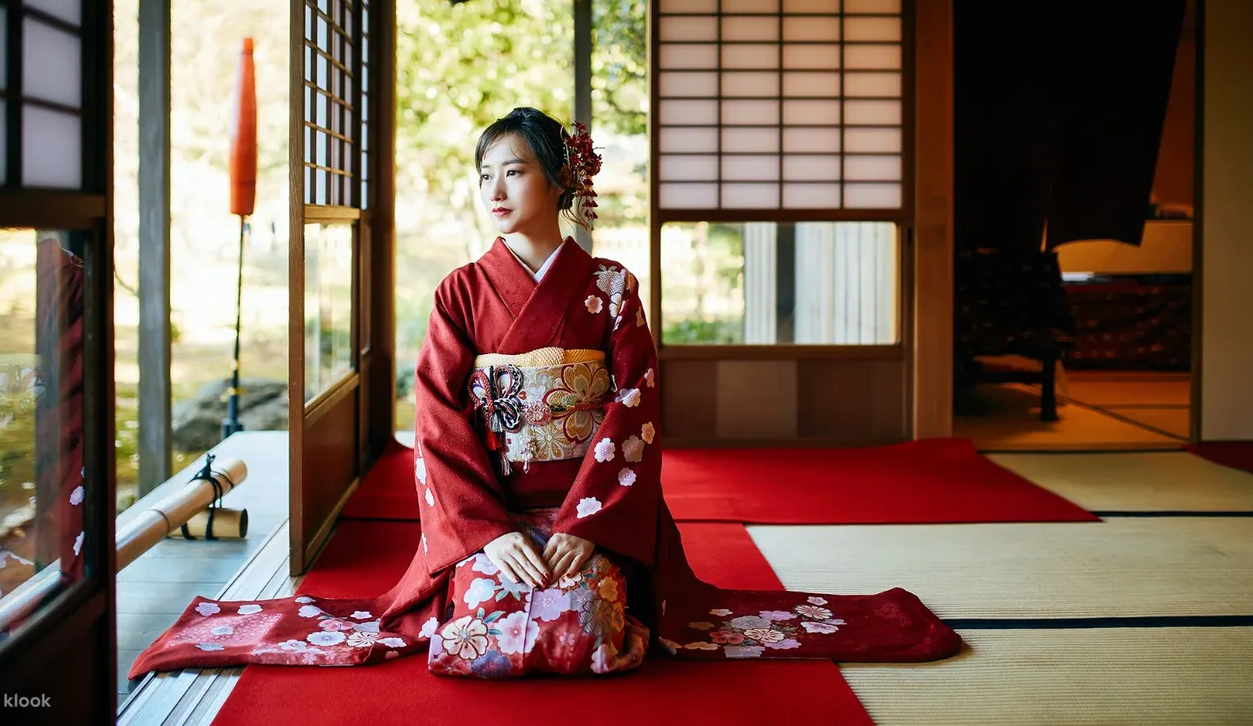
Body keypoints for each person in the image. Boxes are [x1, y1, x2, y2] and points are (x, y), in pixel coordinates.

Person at [129, 107, 960, 680]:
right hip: (489, 517)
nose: (494, 189)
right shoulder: (459, 290)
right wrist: (486, 537)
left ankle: (580, 565)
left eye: (514, 170)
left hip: (586, 509)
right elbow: (437, 416)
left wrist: (584, 526)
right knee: (478, 624)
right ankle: (490, 566)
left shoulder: (610, 286)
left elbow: (633, 408)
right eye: (483, 174)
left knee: (592, 623)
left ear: (559, 179)